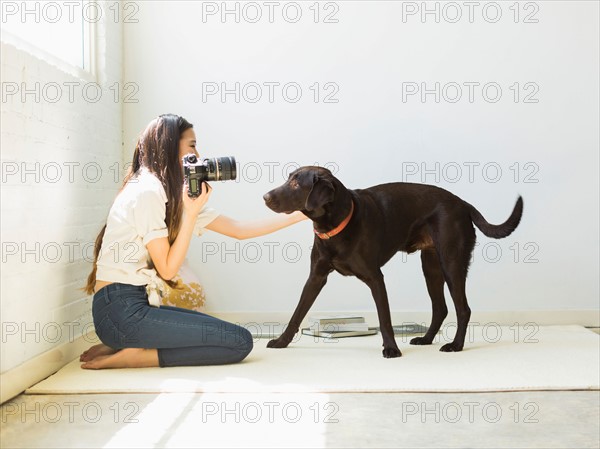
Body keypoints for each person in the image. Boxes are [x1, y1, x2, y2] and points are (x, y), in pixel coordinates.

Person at [79, 113, 307, 369]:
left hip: (128, 308)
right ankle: (135, 354)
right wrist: (190, 213)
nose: (198, 155)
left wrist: (302, 214)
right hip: (119, 312)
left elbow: (239, 230)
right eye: (192, 145)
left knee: (233, 337)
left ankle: (125, 342)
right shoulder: (147, 191)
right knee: (239, 342)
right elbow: (167, 269)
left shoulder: (170, 196)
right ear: (168, 146)